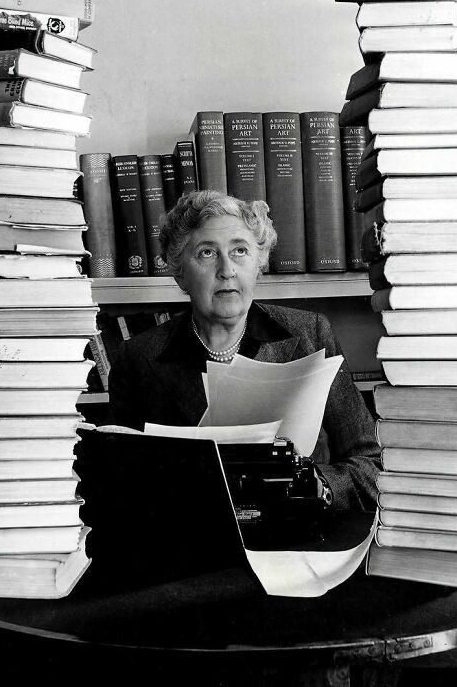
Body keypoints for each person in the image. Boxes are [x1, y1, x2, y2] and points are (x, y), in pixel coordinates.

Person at [104, 190, 380, 511]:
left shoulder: (309, 335)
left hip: (300, 540)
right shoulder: (137, 358)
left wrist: (317, 486)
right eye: (207, 253)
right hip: (196, 550)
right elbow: (117, 484)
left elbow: (370, 464)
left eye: (240, 250)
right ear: (180, 272)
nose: (227, 269)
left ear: (258, 264)